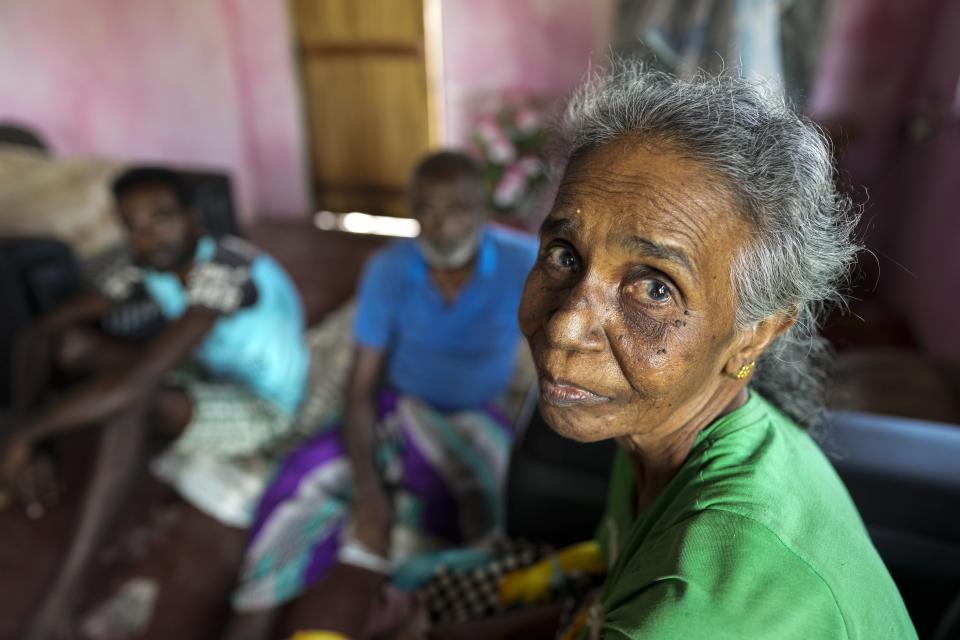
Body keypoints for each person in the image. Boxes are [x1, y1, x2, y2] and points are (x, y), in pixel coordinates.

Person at [432, 64, 917, 639]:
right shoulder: (670, 433)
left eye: (655, 288)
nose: (566, 328)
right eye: (563, 254)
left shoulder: (702, 608)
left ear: (757, 331)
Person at [224, 151, 538, 639]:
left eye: (457, 208)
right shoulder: (389, 270)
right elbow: (359, 389)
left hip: (474, 419)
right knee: (297, 486)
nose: (441, 225)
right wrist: (370, 495)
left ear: (481, 210)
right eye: (426, 210)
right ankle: (249, 622)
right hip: (398, 411)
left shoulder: (523, 263)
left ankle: (417, 620)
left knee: (486, 529)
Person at [2, 167, 310, 639]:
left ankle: (61, 597)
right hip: (201, 371)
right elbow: (45, 333)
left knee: (132, 401)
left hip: (260, 404)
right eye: (134, 223)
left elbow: (138, 382)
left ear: (193, 219)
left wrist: (20, 433)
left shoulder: (227, 267)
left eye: (162, 218)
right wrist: (29, 433)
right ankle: (46, 454)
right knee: (72, 346)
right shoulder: (148, 264)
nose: (148, 235)